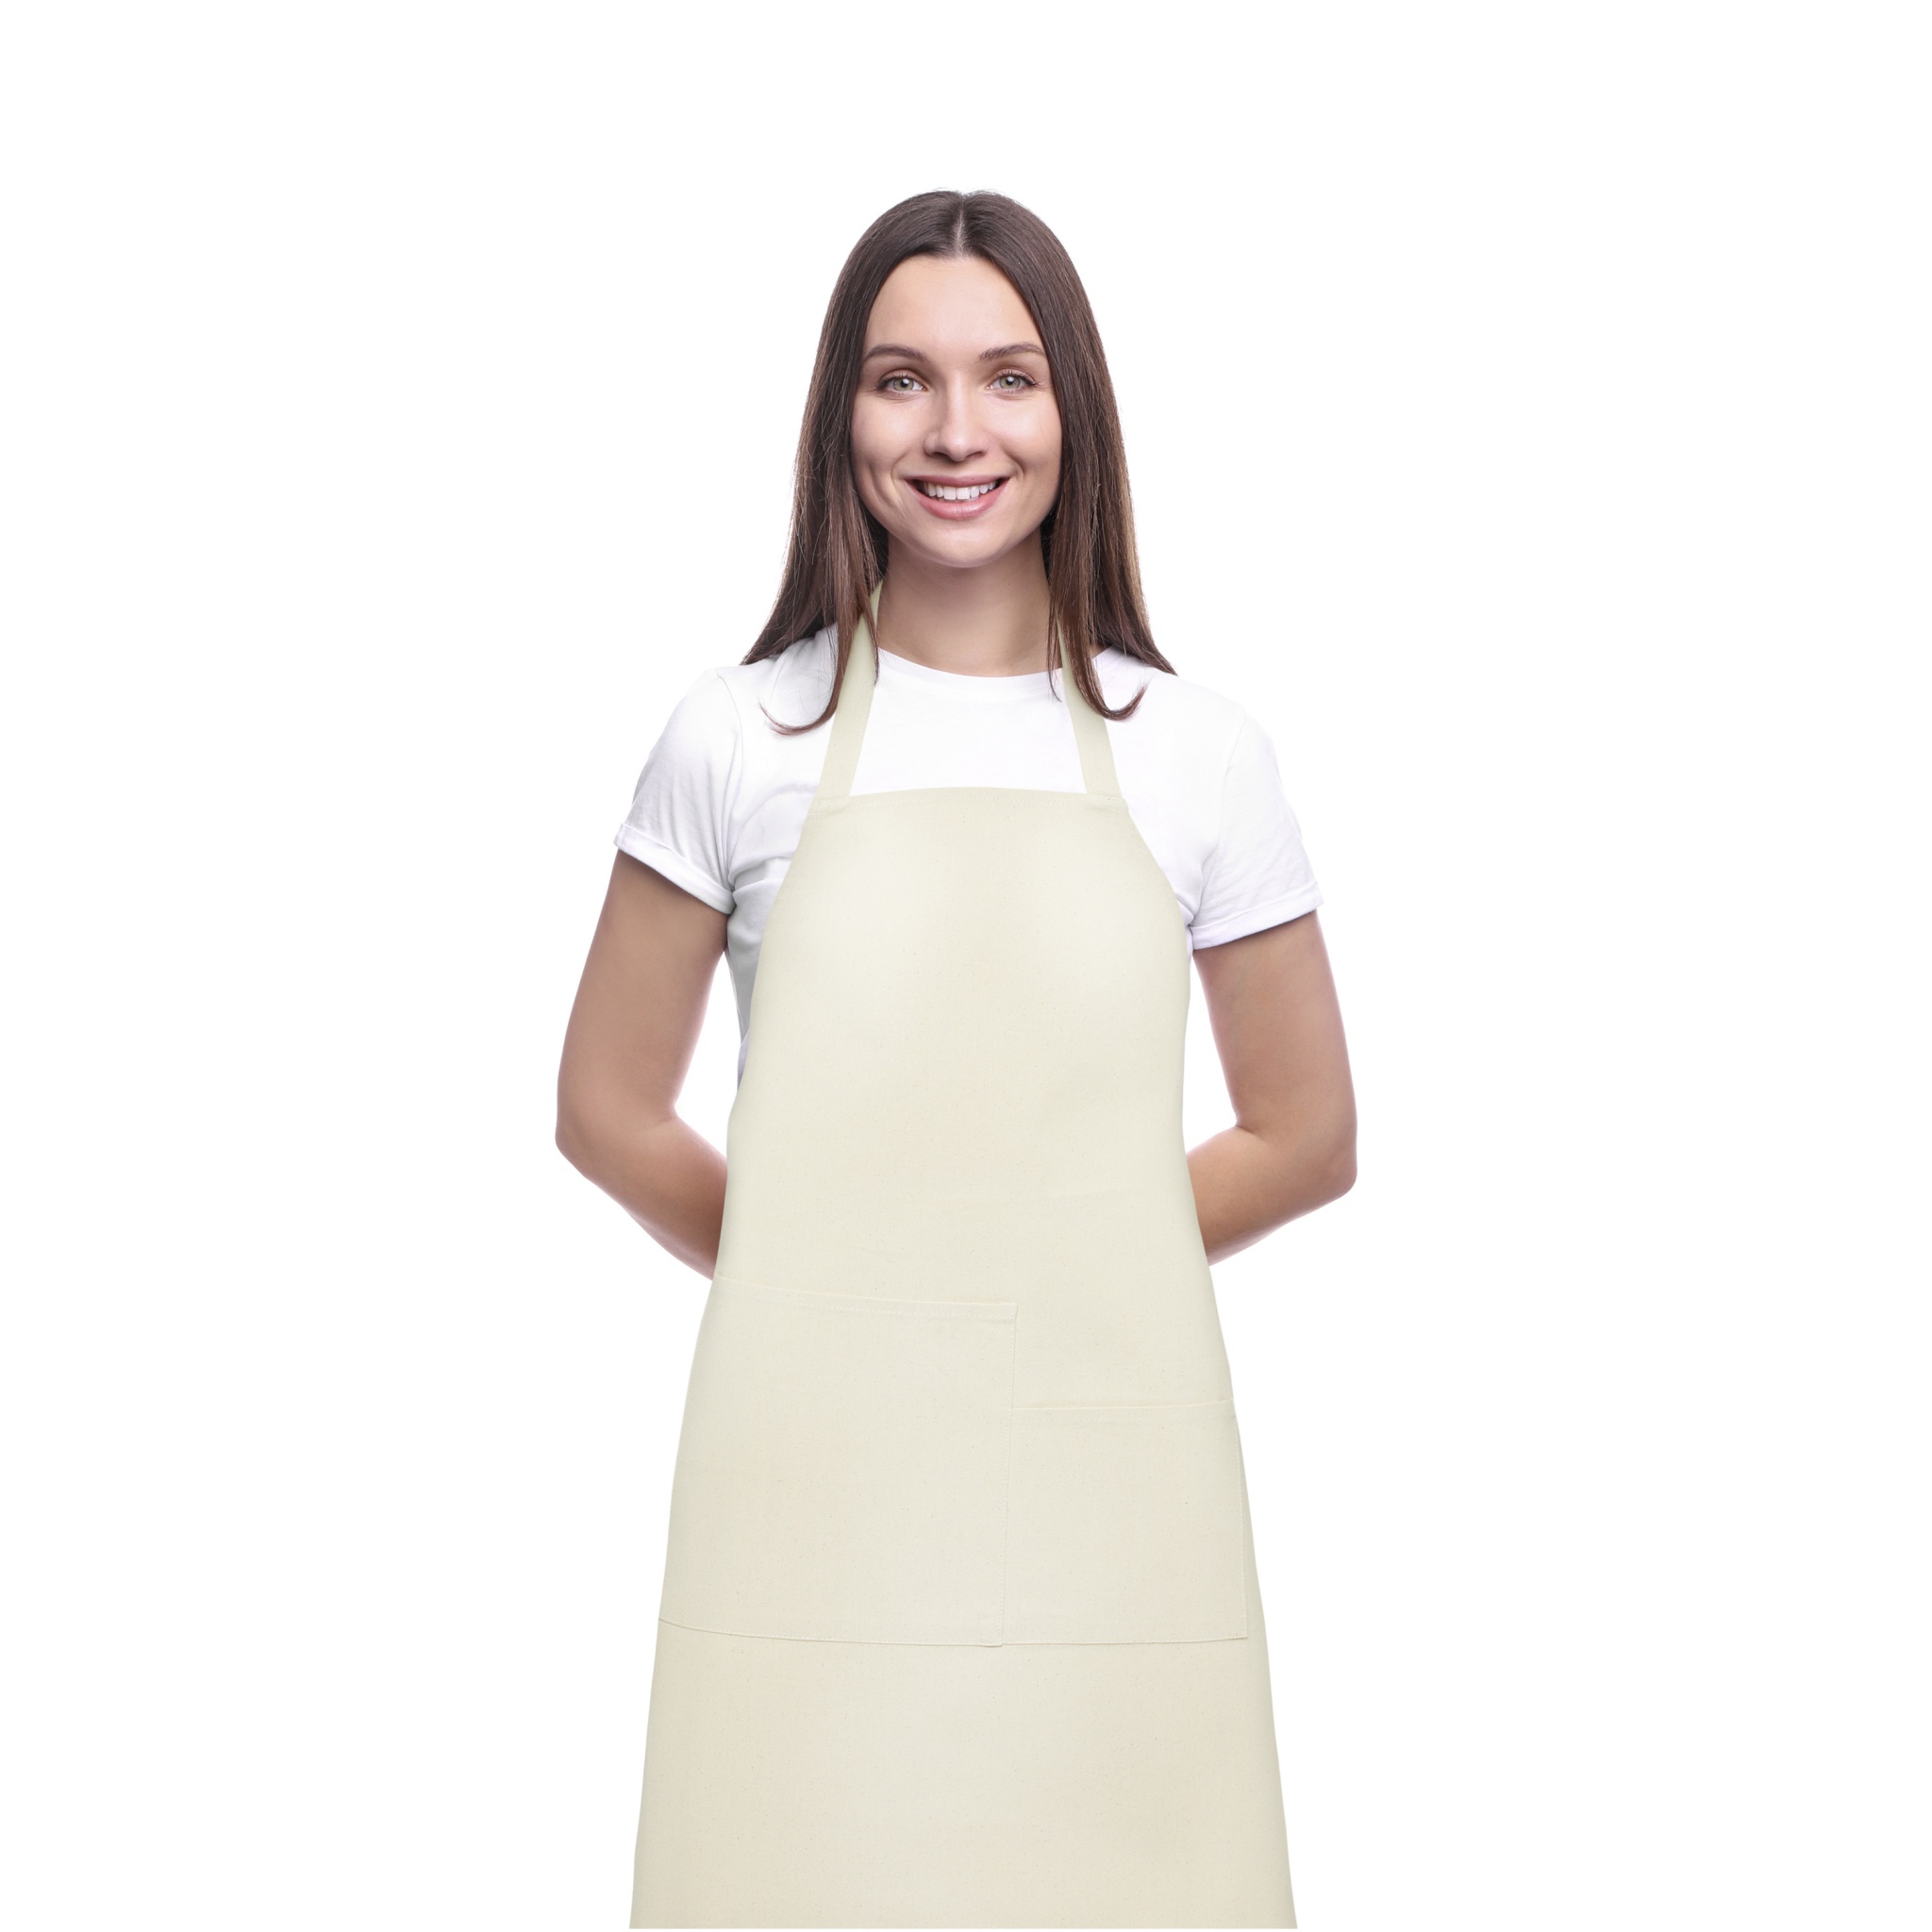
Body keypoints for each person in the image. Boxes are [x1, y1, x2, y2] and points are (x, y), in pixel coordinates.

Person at [556, 188, 1357, 1928]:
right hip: (812, 1467)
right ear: (840, 416)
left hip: (1110, 1471)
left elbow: (1305, 1131)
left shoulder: (1202, 755)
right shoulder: (739, 734)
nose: (956, 432)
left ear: (1076, 409)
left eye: (1008, 377)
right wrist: (820, 1274)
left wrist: (1061, 1273)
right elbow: (607, 1108)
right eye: (900, 380)